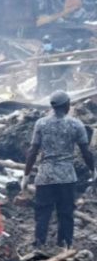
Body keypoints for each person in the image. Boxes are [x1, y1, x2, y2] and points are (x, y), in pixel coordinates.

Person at [22, 91, 95, 248]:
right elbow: (86, 152)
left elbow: (33, 151)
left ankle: (39, 243)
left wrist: (26, 175)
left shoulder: (41, 124)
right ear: (67, 105)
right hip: (66, 177)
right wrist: (92, 170)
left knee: (42, 212)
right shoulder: (76, 124)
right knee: (66, 213)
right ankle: (65, 244)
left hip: (45, 176)